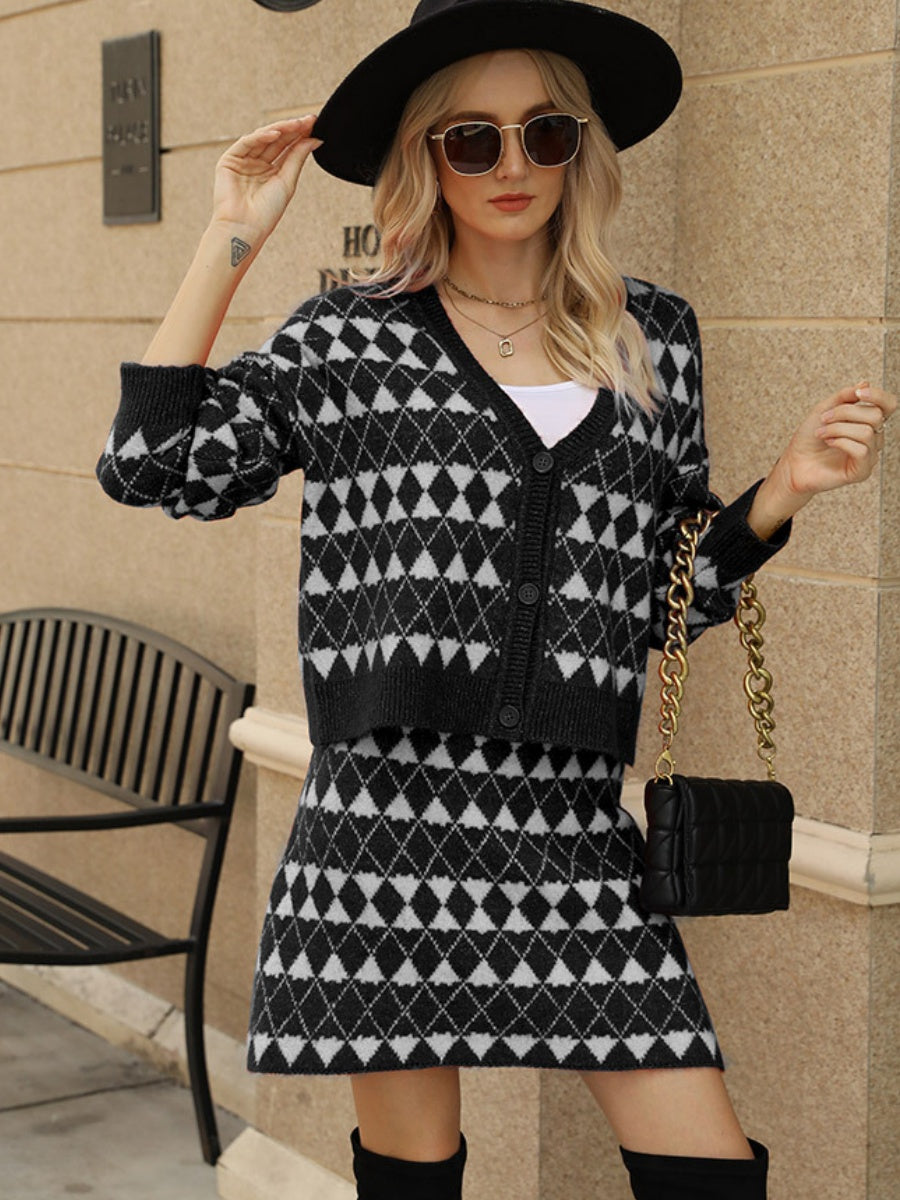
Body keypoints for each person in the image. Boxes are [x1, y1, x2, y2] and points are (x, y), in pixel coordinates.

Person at [96, 2, 896, 1197]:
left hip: (573, 828)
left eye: (546, 132)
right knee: (414, 1175)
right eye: (472, 139)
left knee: (707, 1168)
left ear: (582, 149)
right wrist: (232, 234)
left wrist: (779, 494)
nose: (513, 164)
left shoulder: (654, 336)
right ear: (427, 156)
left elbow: (664, 596)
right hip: (383, 833)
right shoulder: (351, 340)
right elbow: (151, 463)